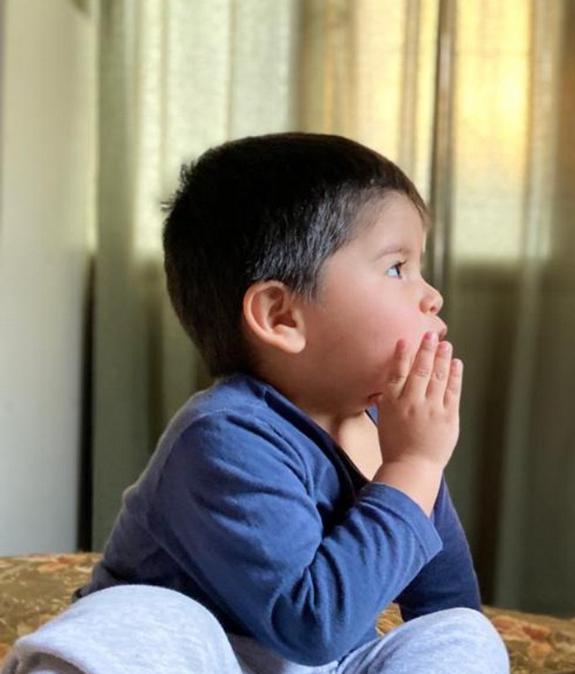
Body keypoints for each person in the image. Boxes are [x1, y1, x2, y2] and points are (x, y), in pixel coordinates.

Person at [57, 133, 506, 673]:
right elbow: (312, 624)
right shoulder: (224, 436)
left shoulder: (390, 432)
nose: (431, 295)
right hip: (203, 658)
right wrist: (413, 466)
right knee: (139, 621)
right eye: (396, 268)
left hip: (311, 666)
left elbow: (443, 603)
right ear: (282, 317)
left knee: (463, 634)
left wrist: (415, 463)